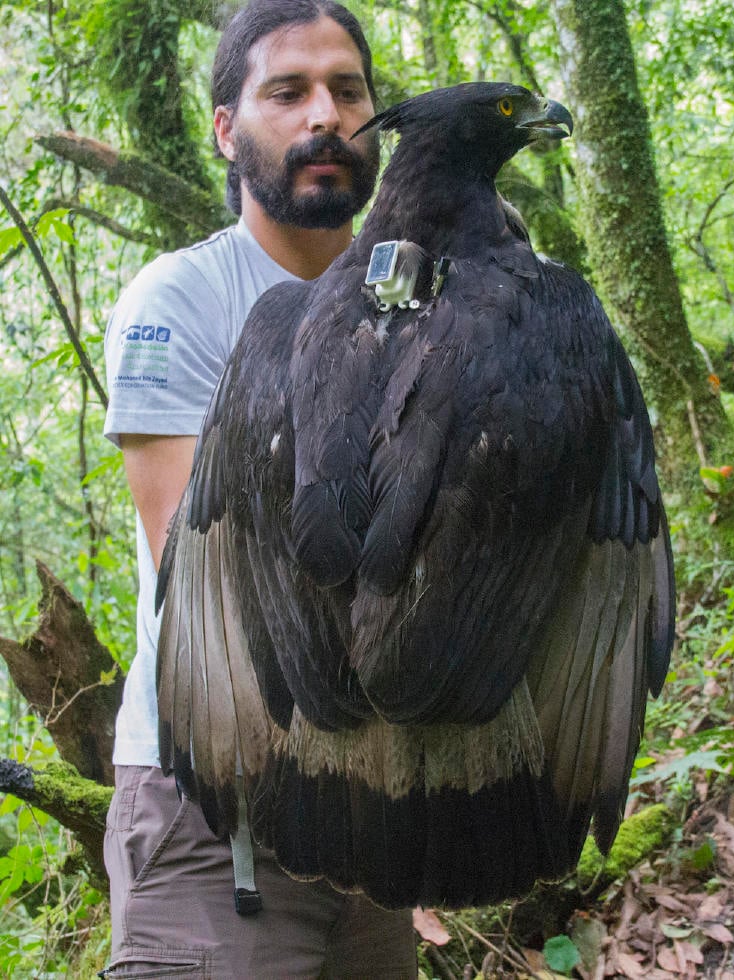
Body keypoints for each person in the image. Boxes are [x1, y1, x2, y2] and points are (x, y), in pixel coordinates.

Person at [101, 2, 418, 976]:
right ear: (226, 131)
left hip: (378, 802)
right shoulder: (180, 302)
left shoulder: (425, 299)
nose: (326, 115)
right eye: (287, 91)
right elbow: (201, 576)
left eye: (348, 89)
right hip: (215, 806)